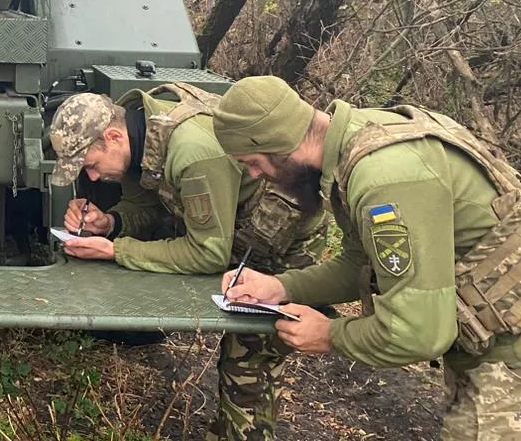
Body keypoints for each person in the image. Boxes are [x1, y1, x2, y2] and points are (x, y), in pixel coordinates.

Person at [208, 75, 521, 440]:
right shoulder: (357, 142)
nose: (255, 175)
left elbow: (419, 332)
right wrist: (279, 286)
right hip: (507, 337)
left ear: (277, 143)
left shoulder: (384, 178)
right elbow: (360, 265)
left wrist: (330, 334)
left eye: (254, 162)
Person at [49, 84, 327, 441]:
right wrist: (111, 223)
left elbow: (207, 253)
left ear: (113, 136)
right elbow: (148, 208)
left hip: (281, 237)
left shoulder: (191, 152)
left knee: (249, 357)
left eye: (90, 164)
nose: (92, 177)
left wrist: (117, 250)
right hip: (232, 229)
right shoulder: (142, 135)